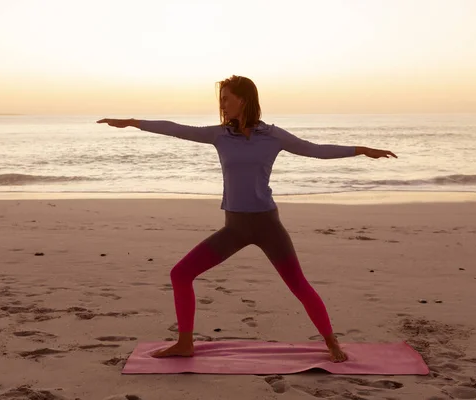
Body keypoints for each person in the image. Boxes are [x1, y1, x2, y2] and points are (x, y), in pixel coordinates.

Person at [97, 75, 397, 363]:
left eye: (227, 99)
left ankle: (331, 342)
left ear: (244, 100)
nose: (223, 104)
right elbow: (176, 128)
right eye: (221, 99)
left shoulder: (273, 135)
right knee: (181, 274)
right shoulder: (219, 135)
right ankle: (185, 343)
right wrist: (134, 123)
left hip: (267, 225)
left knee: (298, 285)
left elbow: (314, 150)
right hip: (234, 228)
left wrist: (361, 150)